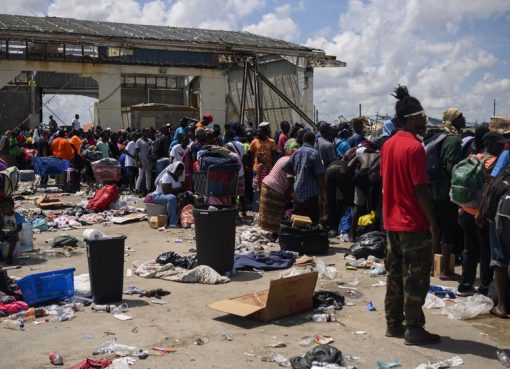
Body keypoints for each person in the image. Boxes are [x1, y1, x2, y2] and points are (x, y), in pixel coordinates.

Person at [381, 85, 440, 345]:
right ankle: (414, 328)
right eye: (422, 116)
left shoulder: (388, 145)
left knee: (394, 274)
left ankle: (393, 323)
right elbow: (420, 190)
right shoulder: (415, 148)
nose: (425, 120)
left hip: (391, 223)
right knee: (415, 277)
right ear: (411, 118)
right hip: (412, 224)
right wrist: (432, 223)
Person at [457, 129, 499, 296]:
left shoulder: (472, 158)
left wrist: (461, 207)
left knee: (469, 249)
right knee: (485, 252)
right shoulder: (493, 162)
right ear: (490, 144)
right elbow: (489, 189)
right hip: (481, 213)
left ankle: (465, 284)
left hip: (465, 209)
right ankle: (484, 287)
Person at [428, 108, 464, 280]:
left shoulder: (437, 136)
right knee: (448, 231)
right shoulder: (454, 141)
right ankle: (444, 271)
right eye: (460, 116)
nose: (463, 119)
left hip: (432, 190)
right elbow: (451, 167)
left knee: (435, 229)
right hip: (446, 192)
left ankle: (433, 266)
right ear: (453, 120)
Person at [283, 131, 326, 224]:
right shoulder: (314, 153)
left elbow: (285, 168)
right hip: (311, 192)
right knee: (312, 220)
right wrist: (324, 192)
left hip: (298, 191)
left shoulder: (296, 152)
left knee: (300, 219)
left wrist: (298, 172)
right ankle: (310, 237)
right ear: (314, 141)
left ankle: (300, 237)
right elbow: (320, 175)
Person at [347, 150, 380, 241]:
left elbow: (349, 165)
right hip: (375, 177)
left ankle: (352, 236)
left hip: (362, 175)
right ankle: (377, 234)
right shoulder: (377, 155)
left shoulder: (360, 155)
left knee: (358, 206)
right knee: (376, 206)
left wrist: (353, 175)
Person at [258, 156, 292, 240]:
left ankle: (274, 234)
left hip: (267, 183)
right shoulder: (290, 162)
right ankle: (276, 234)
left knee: (272, 213)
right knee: (277, 212)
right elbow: (290, 181)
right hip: (275, 187)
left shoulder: (284, 158)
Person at [248, 122, 277, 212]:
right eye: (257, 132)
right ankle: (256, 211)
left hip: (268, 170)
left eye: (260, 132)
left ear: (265, 132)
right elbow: (249, 155)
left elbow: (274, 157)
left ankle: (265, 210)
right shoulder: (254, 142)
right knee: (256, 191)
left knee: (266, 191)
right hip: (256, 170)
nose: (257, 134)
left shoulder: (271, 142)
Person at [152, 162, 185, 228]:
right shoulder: (167, 176)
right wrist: (179, 189)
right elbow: (166, 191)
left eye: (181, 172)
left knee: (188, 194)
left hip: (170, 194)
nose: (180, 174)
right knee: (171, 198)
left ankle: (183, 220)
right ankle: (173, 223)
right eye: (179, 172)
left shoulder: (178, 177)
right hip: (159, 196)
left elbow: (181, 189)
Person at [0, 197, 24, 265]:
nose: (4, 208)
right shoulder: (3, 216)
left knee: (12, 239)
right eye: (2, 207)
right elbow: (1, 226)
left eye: (6, 206)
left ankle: (9, 256)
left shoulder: (17, 215)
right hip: (4, 232)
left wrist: (12, 232)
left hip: (13, 233)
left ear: (12, 206)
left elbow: (19, 227)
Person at [135, 128, 153, 196]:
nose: (148, 133)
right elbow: (136, 153)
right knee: (141, 176)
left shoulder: (150, 141)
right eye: (146, 132)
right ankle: (137, 189)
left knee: (148, 176)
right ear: (143, 133)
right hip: (142, 161)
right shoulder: (139, 141)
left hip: (148, 161)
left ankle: (148, 190)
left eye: (148, 132)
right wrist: (138, 162)